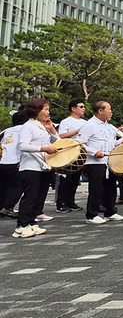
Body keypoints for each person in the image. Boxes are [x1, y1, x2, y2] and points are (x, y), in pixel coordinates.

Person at [12, 99, 59, 238]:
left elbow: (57, 142)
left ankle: (31, 223)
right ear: (36, 111)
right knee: (30, 197)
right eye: (45, 109)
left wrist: (51, 129)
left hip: (43, 167)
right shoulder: (28, 126)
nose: (48, 112)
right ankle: (21, 226)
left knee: (39, 197)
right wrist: (44, 149)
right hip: (30, 167)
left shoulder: (42, 127)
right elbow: (22, 145)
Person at [76, 101, 123, 225]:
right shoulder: (89, 125)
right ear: (100, 111)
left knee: (111, 187)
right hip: (94, 162)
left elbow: (108, 141)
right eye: (109, 109)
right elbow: (79, 143)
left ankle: (110, 211)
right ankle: (91, 215)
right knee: (96, 188)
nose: (111, 112)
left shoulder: (108, 126)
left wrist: (119, 142)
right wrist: (94, 152)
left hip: (108, 160)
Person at [54, 99, 86, 213]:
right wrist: (77, 131)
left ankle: (71, 201)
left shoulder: (85, 122)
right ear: (73, 108)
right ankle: (61, 203)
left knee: (75, 180)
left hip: (80, 153)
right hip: (68, 153)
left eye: (84, 107)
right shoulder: (66, 121)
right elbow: (61, 135)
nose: (83, 109)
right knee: (66, 179)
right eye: (81, 107)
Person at [0, 110, 27, 219]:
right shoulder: (25, 130)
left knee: (3, 186)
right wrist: (22, 160)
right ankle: (8, 207)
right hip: (15, 162)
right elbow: (24, 146)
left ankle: (1, 208)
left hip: (2, 161)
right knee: (18, 185)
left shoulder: (6, 131)